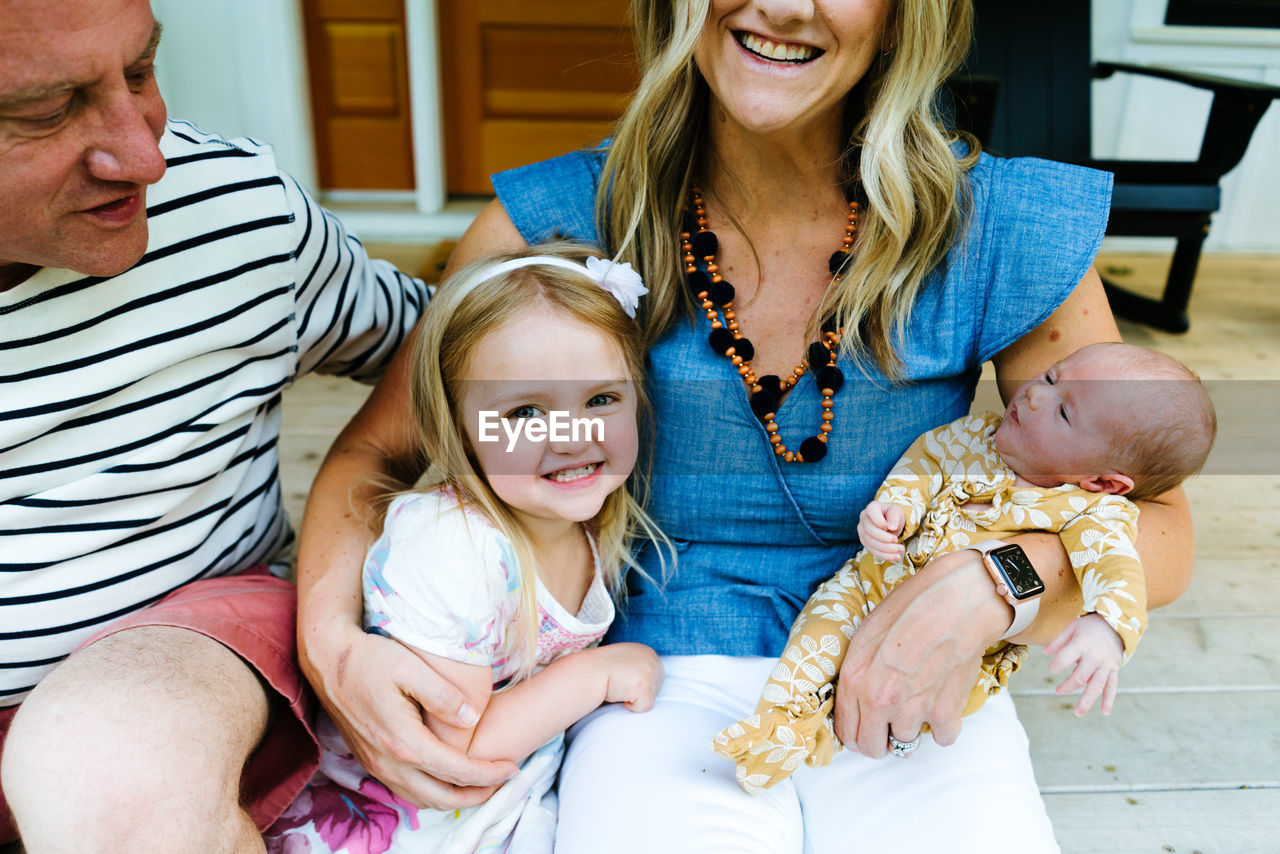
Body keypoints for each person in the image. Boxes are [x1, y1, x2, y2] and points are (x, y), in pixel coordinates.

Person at [295, 1, 1196, 851]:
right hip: (651, 665)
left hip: (911, 653)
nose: (784, 6)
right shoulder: (559, 220)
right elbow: (377, 456)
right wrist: (334, 647)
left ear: (897, 15)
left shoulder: (997, 225)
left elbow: (1160, 529)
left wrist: (994, 583)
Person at [0, 0, 518, 849]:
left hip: (188, 648)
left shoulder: (237, 215)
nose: (146, 156)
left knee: (110, 777)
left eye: (139, 73)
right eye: (48, 113)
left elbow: (434, 350)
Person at [264, 246, 668, 854]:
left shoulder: (586, 512)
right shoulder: (459, 548)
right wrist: (601, 671)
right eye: (526, 411)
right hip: (412, 814)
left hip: (513, 775)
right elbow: (454, 747)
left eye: (601, 400)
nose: (571, 436)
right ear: (459, 430)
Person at [713, 342, 1216, 792]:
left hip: (966, 648)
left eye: (1063, 413)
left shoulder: (1091, 513)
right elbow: (924, 464)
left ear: (1104, 482)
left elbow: (1117, 569)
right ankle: (777, 723)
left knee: (930, 698)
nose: (1036, 396)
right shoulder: (975, 437)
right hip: (869, 583)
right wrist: (894, 511)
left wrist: (1107, 627)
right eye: (1049, 377)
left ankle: (827, 736)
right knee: (816, 639)